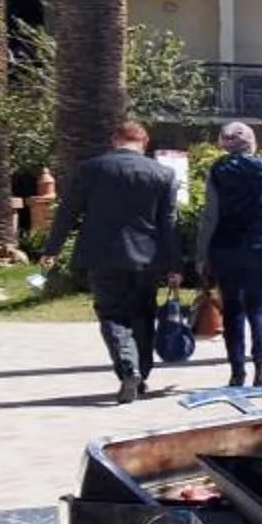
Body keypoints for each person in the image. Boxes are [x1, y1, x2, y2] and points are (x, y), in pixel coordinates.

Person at [47, 118, 180, 403]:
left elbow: (68, 211)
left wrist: (52, 249)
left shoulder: (92, 169)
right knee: (144, 315)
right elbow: (168, 224)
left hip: (103, 256)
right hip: (147, 258)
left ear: (115, 140)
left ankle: (128, 368)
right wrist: (174, 265)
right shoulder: (163, 174)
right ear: (144, 143)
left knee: (111, 314)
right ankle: (141, 373)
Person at [195, 121, 262, 393]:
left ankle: (237, 371)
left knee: (233, 309)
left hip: (227, 248)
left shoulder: (219, 170)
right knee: (259, 306)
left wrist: (201, 254)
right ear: (252, 142)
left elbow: (210, 215)